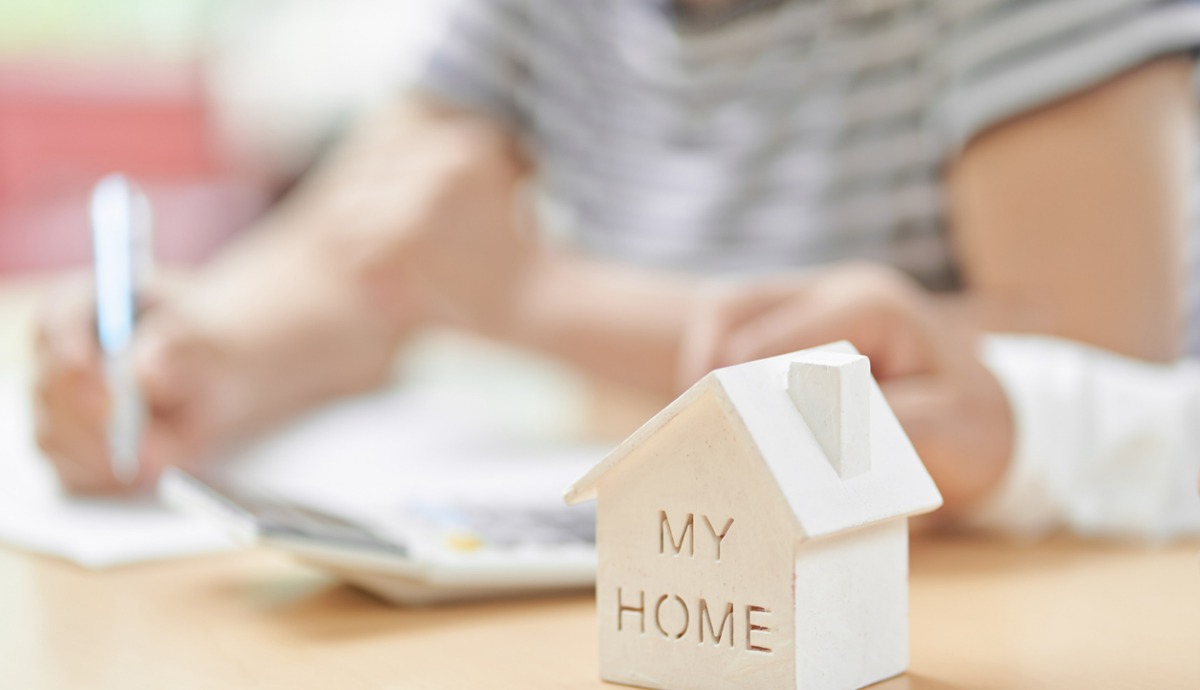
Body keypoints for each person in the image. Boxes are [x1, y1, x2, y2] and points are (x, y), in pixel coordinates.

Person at [32, 0, 1200, 537]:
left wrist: (544, 302)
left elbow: (1084, 367)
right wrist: (208, 357)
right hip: (695, 584)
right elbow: (384, 238)